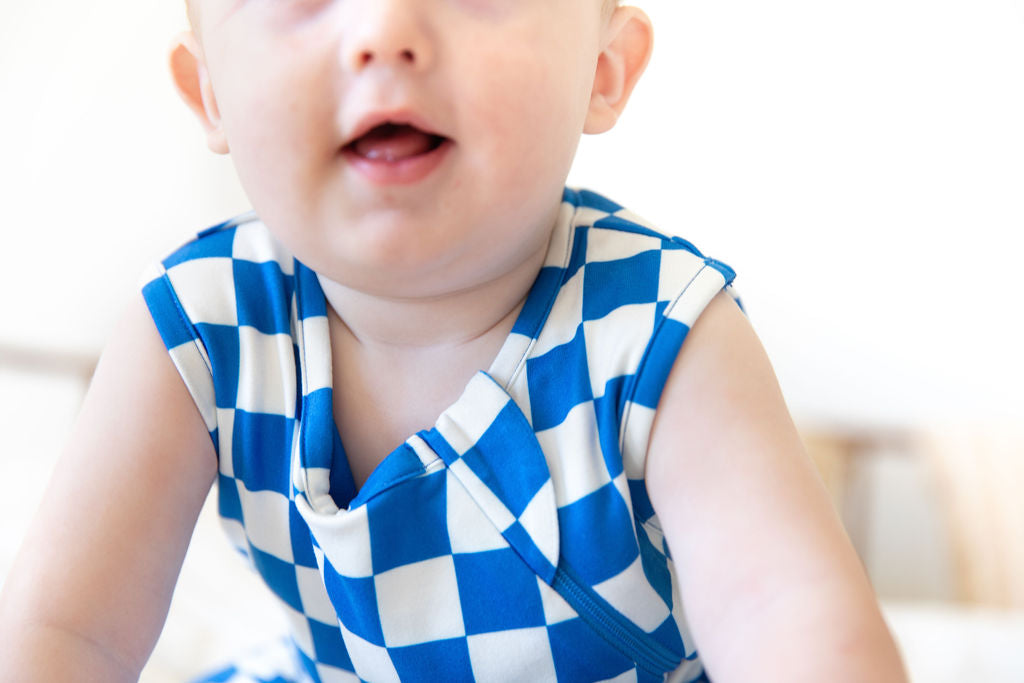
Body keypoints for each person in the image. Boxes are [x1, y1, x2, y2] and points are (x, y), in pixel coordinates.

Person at [0, 0, 908, 681]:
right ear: (211, 97)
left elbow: (786, 618)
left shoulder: (661, 334)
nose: (384, 31)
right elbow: (65, 630)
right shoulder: (201, 328)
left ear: (604, 69)